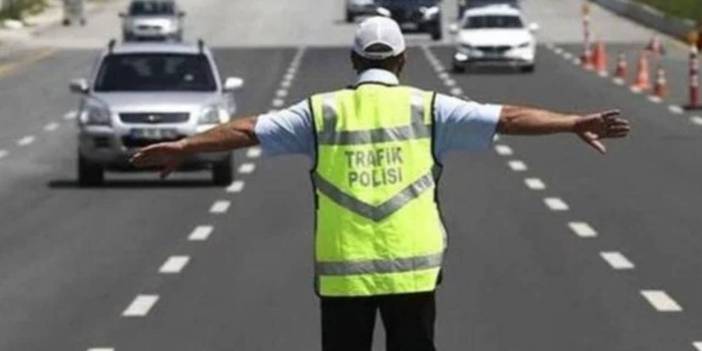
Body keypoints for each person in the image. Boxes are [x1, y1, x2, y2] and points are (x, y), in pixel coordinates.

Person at [131, 17, 630, 351]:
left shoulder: (320, 112)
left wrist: (185, 146)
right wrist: (571, 122)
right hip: (413, 273)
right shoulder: (430, 108)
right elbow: (509, 116)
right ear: (402, 60)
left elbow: (246, 129)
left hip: (343, 274)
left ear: (353, 61)